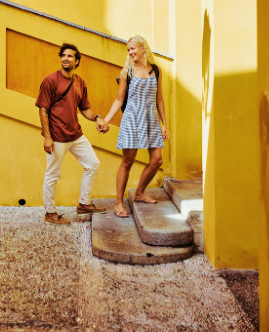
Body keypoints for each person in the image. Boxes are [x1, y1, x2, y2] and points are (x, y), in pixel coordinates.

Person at [36, 43, 110, 225]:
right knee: (53, 174)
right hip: (57, 136)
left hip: (76, 135)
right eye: (63, 55)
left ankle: (84, 204)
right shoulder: (50, 80)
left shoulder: (80, 83)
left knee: (92, 164)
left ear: (77, 61)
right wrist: (47, 136)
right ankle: (50, 213)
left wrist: (98, 118)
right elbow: (43, 110)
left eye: (70, 56)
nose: (65, 58)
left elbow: (85, 109)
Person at [102, 35, 169, 217]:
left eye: (133, 48)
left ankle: (139, 193)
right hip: (132, 119)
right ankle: (118, 203)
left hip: (151, 120)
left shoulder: (156, 70)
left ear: (142, 48)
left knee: (157, 160)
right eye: (128, 50)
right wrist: (106, 120)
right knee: (127, 162)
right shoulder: (127, 72)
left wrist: (165, 124)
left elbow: (160, 99)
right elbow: (119, 99)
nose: (130, 52)